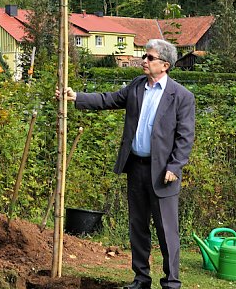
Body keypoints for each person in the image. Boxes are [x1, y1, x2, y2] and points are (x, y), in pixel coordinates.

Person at [59, 39, 195, 289]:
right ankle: (141, 279)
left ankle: (171, 283)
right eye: (145, 56)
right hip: (136, 168)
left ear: (165, 65)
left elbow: (185, 137)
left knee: (167, 231)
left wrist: (175, 167)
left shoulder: (182, 96)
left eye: (150, 58)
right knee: (138, 228)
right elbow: (108, 99)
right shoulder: (136, 86)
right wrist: (76, 96)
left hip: (163, 174)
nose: (144, 61)